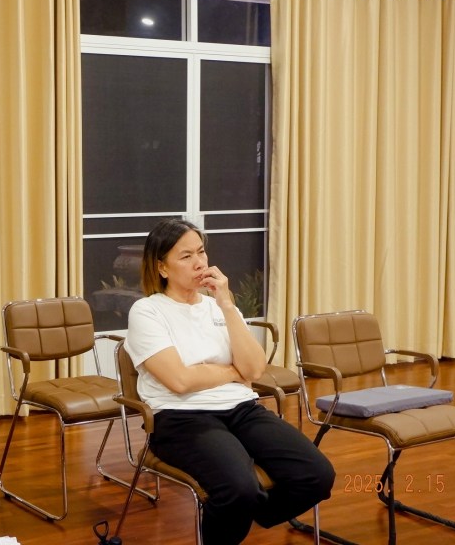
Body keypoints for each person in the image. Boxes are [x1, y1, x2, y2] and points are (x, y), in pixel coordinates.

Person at [124, 218, 334, 545]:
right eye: (186, 256)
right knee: (238, 489)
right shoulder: (147, 311)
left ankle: (248, 512)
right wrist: (233, 373)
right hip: (181, 418)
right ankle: (238, 511)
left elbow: (254, 369)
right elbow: (180, 380)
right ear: (162, 267)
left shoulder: (217, 307)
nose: (199, 263)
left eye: (201, 252)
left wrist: (226, 304)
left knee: (317, 475)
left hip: (241, 409)